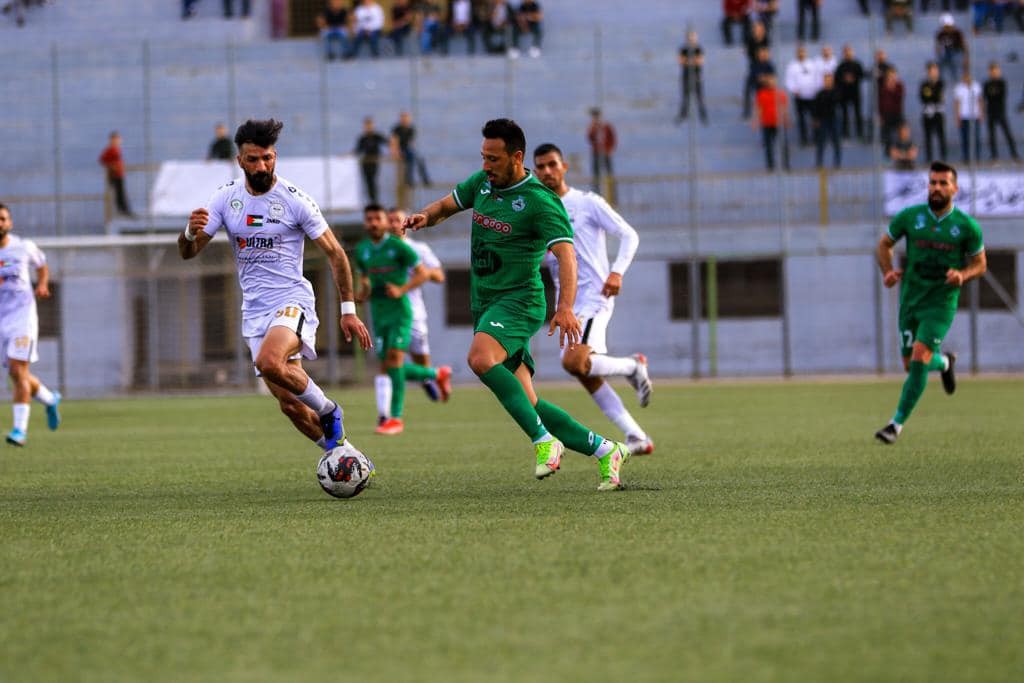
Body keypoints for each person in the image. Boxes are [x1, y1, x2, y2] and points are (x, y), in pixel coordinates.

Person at [402, 118, 632, 491]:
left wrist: (565, 307)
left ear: (516, 157)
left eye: (493, 158)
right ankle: (607, 450)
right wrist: (424, 217)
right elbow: (445, 206)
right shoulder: (482, 183)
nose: (486, 165)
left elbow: (567, 256)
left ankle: (544, 442)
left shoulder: (540, 201)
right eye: (483, 157)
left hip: (519, 301)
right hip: (486, 302)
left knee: (480, 359)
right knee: (529, 404)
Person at [178, 119, 373, 456]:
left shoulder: (295, 200)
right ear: (240, 160)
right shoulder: (226, 198)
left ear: (275, 157)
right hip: (255, 311)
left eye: (267, 158)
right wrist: (189, 232)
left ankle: (330, 410)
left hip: (292, 301)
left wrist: (348, 311)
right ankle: (345, 456)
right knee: (290, 405)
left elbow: (336, 253)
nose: (261, 166)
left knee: (269, 362)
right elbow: (189, 252)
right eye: (253, 159)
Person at [532, 143, 655, 456]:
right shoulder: (538, 212)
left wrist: (617, 272)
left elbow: (629, 235)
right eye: (541, 167)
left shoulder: (586, 203)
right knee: (582, 370)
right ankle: (636, 436)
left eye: (552, 164)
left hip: (594, 295)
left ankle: (632, 366)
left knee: (573, 361)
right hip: (567, 304)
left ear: (564, 167)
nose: (547, 171)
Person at [875, 161, 986, 444]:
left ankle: (895, 425)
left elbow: (980, 264)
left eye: (943, 183)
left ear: (955, 188)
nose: (936, 188)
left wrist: (962, 275)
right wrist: (887, 271)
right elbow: (884, 244)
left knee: (920, 355)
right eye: (933, 182)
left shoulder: (966, 226)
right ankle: (945, 363)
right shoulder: (910, 217)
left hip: (941, 303)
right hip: (911, 300)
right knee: (909, 364)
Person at [354, 204, 450, 435]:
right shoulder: (363, 250)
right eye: (370, 219)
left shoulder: (407, 248)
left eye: (380, 219)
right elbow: (365, 279)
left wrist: (401, 288)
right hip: (379, 313)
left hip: (407, 312)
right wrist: (362, 293)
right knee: (388, 365)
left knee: (402, 361)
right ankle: (434, 376)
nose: (376, 223)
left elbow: (431, 274)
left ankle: (395, 417)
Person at [0, 203, 61, 446]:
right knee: (18, 373)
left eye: (2, 218)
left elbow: (41, 265)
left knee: (17, 370)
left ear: (10, 223)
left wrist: (42, 284)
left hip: (22, 318)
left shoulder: (23, 247)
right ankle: (50, 399)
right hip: (1, 320)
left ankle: (19, 431)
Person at [387, 207, 451, 402]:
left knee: (420, 360)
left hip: (413, 313)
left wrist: (420, 271)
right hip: (387, 313)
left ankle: (431, 376)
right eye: (389, 220)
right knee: (388, 361)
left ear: (405, 223)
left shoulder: (418, 249)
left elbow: (439, 276)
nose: (393, 224)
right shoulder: (379, 250)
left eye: (397, 220)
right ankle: (391, 412)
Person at [982, 61, 1019, 161]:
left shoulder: (1002, 82)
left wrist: (992, 93)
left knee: (1007, 133)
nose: (994, 72)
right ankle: (994, 156)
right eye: (992, 71)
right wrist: (993, 94)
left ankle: (1014, 154)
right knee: (992, 135)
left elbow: (1000, 95)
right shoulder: (987, 83)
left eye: (996, 70)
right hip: (990, 112)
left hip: (1001, 111)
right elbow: (986, 96)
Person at [753, 73, 791, 170]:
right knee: (768, 145)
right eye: (770, 82)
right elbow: (759, 108)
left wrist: (786, 119)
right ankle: (770, 166)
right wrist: (756, 121)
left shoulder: (781, 94)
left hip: (779, 123)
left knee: (783, 145)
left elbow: (784, 108)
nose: (772, 83)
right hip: (767, 123)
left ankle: (786, 165)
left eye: (773, 81)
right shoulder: (761, 94)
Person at [784, 45, 819, 146]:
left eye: (803, 52)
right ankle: (804, 138)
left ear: (806, 53)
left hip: (812, 96)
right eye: (799, 52)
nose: (801, 54)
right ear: (796, 53)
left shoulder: (812, 64)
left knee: (814, 117)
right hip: (799, 97)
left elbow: (817, 78)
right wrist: (794, 90)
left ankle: (815, 137)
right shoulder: (792, 66)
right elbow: (789, 80)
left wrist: (815, 89)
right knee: (801, 119)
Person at [390, 111, 431, 189]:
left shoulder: (411, 129)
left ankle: (425, 180)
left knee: (420, 159)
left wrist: (411, 150)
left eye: (407, 118)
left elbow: (411, 143)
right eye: (404, 118)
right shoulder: (397, 129)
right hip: (401, 149)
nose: (405, 120)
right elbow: (394, 141)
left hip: (408, 149)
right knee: (411, 160)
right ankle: (409, 180)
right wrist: (395, 152)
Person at [98, 131, 134, 218]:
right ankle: (123, 210)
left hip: (119, 174)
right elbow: (102, 160)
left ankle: (124, 210)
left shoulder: (116, 149)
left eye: (119, 139)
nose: (119, 141)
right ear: (112, 139)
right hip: (115, 175)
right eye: (117, 139)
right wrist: (111, 166)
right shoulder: (110, 149)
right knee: (119, 193)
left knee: (121, 193)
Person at [354, 116, 389, 203]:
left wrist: (395, 151)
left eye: (370, 125)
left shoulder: (377, 136)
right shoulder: (362, 138)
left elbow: (388, 142)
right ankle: (371, 201)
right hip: (365, 163)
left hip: (374, 162)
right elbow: (358, 150)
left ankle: (375, 200)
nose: (368, 127)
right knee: (368, 182)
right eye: (366, 125)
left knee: (373, 181)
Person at [677, 29, 709, 124]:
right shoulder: (683, 49)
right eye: (689, 38)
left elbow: (700, 61)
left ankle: (703, 116)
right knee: (685, 98)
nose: (691, 39)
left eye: (693, 37)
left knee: (700, 98)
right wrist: (692, 61)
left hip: (697, 77)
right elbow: (681, 61)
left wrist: (689, 61)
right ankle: (683, 115)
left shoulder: (698, 49)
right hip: (686, 77)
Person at [835, 44, 865, 140]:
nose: (848, 53)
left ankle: (860, 132)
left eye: (849, 51)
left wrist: (853, 78)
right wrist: (844, 79)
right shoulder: (841, 65)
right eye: (846, 52)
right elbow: (836, 78)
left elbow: (862, 75)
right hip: (844, 93)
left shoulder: (857, 64)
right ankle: (845, 132)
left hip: (855, 93)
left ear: (852, 52)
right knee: (844, 114)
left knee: (858, 113)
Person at [919, 62, 948, 162]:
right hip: (928, 112)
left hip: (938, 112)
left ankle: (944, 157)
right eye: (931, 71)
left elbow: (939, 97)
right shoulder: (924, 84)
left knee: (941, 135)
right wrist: (933, 97)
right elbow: (923, 98)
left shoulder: (941, 83)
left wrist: (932, 97)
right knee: (928, 136)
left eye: (935, 70)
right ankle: (929, 158)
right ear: (928, 72)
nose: (933, 73)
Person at [813, 72, 842, 168]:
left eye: (829, 80)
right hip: (823, 120)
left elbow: (838, 103)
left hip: (834, 119)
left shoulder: (837, 92)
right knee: (821, 142)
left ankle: (837, 163)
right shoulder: (820, 94)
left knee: (836, 141)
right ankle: (819, 163)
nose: (828, 82)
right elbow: (816, 108)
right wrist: (816, 119)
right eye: (826, 80)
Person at [953, 70, 983, 162]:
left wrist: (981, 113)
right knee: (964, 137)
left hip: (974, 115)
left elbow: (980, 100)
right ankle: (966, 157)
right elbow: (957, 103)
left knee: (976, 137)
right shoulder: (959, 87)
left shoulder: (976, 86)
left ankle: (977, 157)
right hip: (964, 116)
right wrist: (957, 116)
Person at [587, 107, 616, 192]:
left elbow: (612, 139)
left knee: (608, 173)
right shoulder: (593, 127)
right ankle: (597, 191)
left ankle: (611, 192)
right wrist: (593, 128)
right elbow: (590, 138)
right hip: (596, 153)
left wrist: (609, 149)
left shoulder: (606, 126)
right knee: (596, 174)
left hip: (606, 152)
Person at [878, 67, 906, 157]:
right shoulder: (883, 87)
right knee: (887, 136)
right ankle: (888, 154)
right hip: (886, 115)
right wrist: (880, 115)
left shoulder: (899, 86)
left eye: (893, 75)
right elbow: (880, 102)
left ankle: (902, 153)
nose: (892, 77)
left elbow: (899, 98)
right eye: (890, 76)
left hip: (897, 114)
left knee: (902, 133)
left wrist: (892, 88)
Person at [935, 13, 966, 85]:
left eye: (948, 26)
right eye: (945, 27)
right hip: (946, 53)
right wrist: (939, 52)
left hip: (957, 52)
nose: (946, 29)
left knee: (955, 61)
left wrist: (965, 58)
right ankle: (940, 81)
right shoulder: (940, 34)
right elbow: (938, 47)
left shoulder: (957, 33)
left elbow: (964, 47)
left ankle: (957, 81)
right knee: (939, 62)